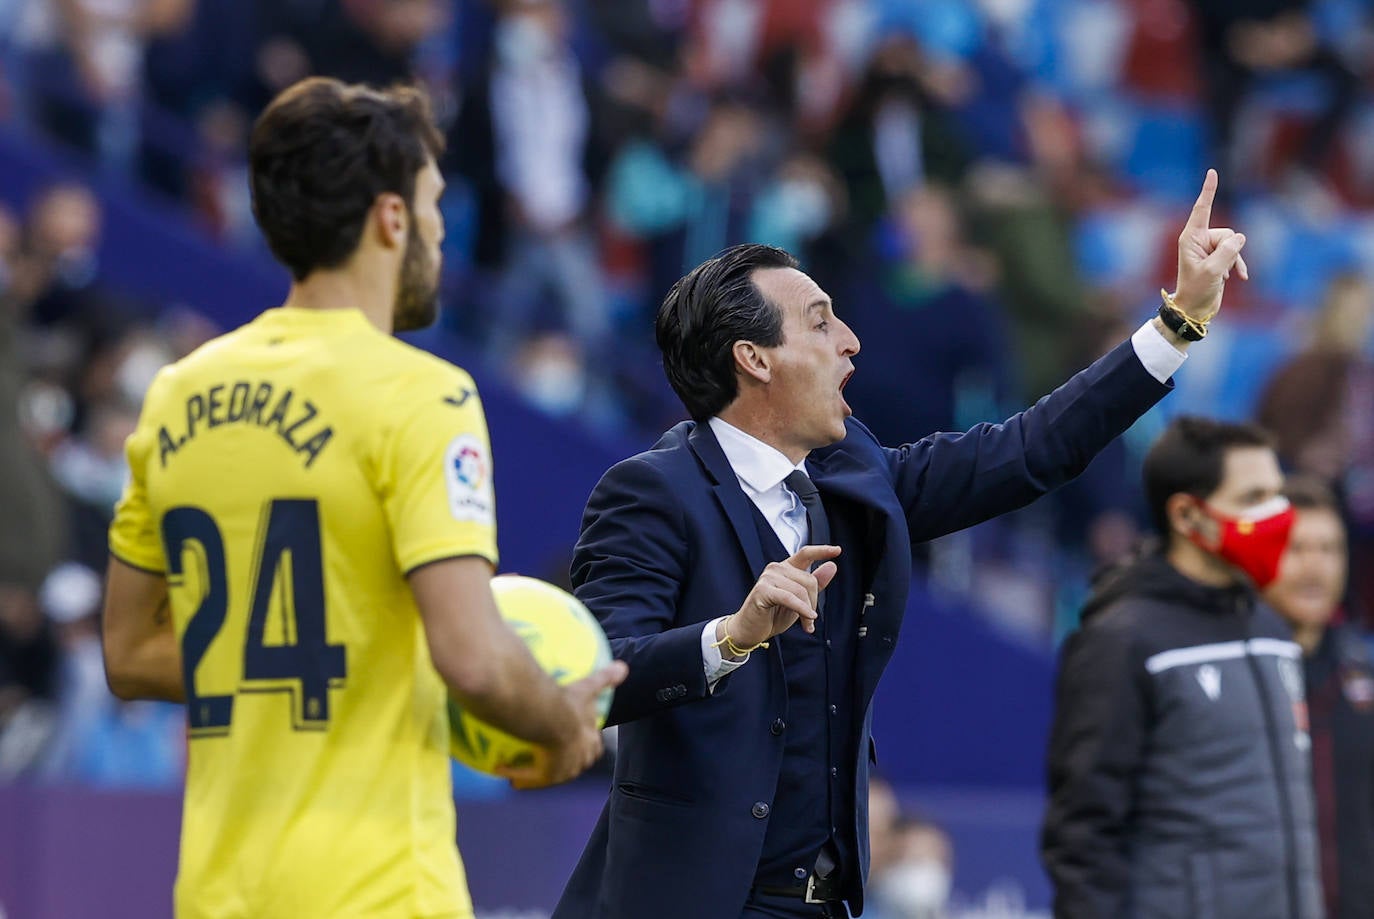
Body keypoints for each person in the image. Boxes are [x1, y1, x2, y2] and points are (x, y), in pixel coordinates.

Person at [554, 170, 1249, 919]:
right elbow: (600, 678)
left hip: (822, 904)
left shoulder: (854, 476)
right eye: (821, 323)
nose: (851, 341)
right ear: (754, 359)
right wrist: (730, 636)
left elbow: (1028, 449)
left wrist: (1178, 321)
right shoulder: (651, 491)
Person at [99, 77, 625, 919]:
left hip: (218, 890)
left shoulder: (177, 394)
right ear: (389, 218)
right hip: (375, 890)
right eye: (433, 202)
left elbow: (128, 654)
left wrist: (310, 648)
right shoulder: (422, 395)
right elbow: (475, 657)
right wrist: (564, 724)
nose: (441, 229)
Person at [1041, 416, 1322, 919]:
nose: (1280, 515)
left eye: (1279, 495)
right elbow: (1084, 834)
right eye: (1254, 498)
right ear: (1189, 516)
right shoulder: (1121, 640)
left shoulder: (1272, 628)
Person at [1265, 476, 1374, 919]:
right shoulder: (1222, 678)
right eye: (1297, 548)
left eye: (1329, 549)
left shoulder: (1362, 680)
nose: (1315, 567)